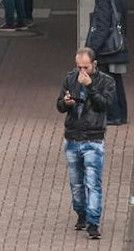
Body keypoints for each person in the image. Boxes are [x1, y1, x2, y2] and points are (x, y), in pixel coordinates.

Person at [57, 46, 115, 238]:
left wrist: (90, 86)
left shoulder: (107, 82)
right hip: (73, 137)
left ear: (94, 64)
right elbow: (59, 105)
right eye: (79, 67)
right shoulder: (70, 78)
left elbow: (104, 104)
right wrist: (66, 102)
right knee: (76, 183)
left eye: (86, 67)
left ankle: (93, 222)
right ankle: (81, 213)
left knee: (93, 183)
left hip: (93, 138)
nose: (82, 71)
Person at [86, 0, 130, 126]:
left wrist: (92, 49)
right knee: (116, 80)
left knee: (106, 81)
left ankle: (113, 115)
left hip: (107, 49)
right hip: (118, 45)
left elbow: (102, 26)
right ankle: (122, 114)